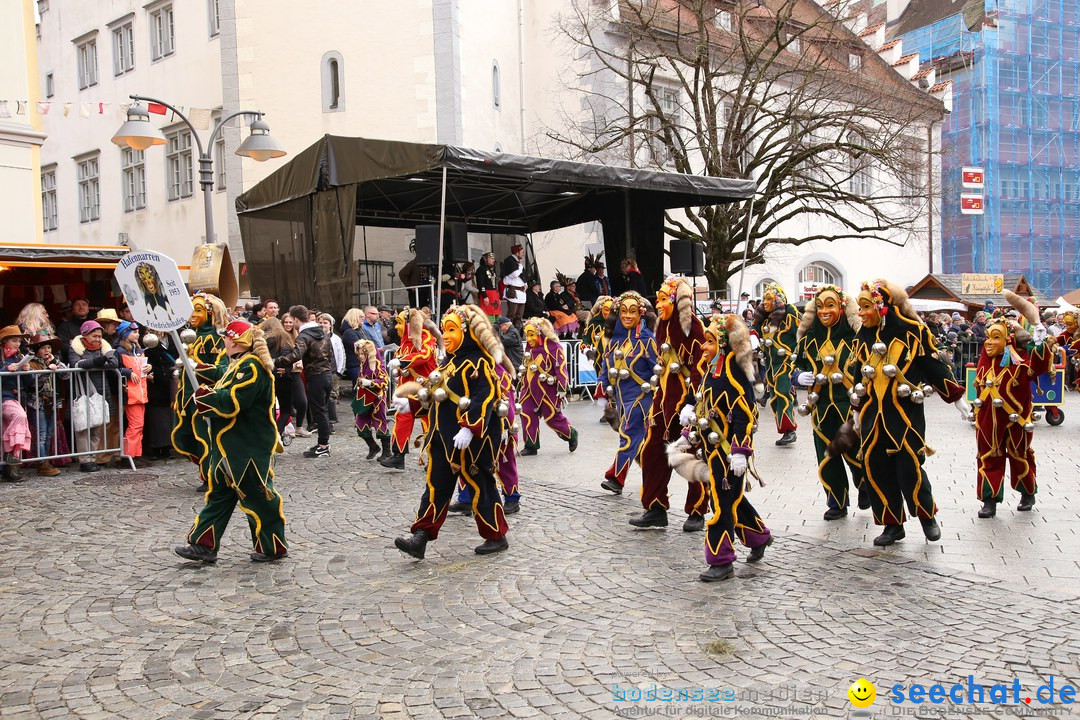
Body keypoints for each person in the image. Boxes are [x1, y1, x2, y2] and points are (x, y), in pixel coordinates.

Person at [847, 279, 968, 547]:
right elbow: (858, 376)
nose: (861, 313)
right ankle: (892, 525)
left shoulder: (913, 331)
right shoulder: (863, 336)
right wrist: (856, 409)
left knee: (909, 467)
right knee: (876, 469)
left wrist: (956, 397)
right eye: (860, 307)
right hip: (872, 417)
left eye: (866, 307)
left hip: (904, 416)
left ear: (883, 306)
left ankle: (927, 517)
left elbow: (933, 366)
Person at [393, 304, 510, 559]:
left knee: (481, 486)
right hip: (441, 438)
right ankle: (421, 536)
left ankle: (496, 535)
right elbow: (436, 393)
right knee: (435, 486)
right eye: (444, 329)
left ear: (468, 332)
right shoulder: (449, 362)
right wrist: (412, 401)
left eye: (452, 330)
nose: (445, 335)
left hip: (471, 442)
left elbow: (486, 395)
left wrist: (469, 427)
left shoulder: (480, 361)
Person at [668, 314, 772, 582]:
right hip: (710, 449)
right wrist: (688, 434)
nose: (703, 347)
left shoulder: (734, 373)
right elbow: (706, 408)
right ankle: (758, 535)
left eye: (710, 342)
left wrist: (740, 450)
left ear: (724, 346)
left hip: (728, 453)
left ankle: (721, 559)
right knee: (725, 498)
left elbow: (744, 415)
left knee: (722, 505)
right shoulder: (711, 368)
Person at [174, 320, 287, 564]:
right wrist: (194, 367)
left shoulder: (253, 367)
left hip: (248, 448)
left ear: (235, 340)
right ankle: (203, 545)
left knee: (259, 499)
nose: (222, 340)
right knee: (219, 499)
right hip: (228, 447)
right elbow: (221, 375)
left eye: (226, 336)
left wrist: (204, 397)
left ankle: (273, 546)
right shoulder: (238, 363)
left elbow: (233, 400)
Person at [629, 277, 709, 532]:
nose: (659, 303)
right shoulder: (662, 325)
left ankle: (697, 511)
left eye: (664, 298)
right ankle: (655, 507)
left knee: (689, 456)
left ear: (677, 300)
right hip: (662, 403)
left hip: (684, 405)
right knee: (651, 454)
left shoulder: (693, 328)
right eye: (659, 298)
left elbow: (700, 368)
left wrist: (690, 403)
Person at [973, 293, 1055, 518]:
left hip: (1016, 418)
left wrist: (1039, 342)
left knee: (1020, 454)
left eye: (995, 338)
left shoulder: (1019, 362)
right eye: (988, 337)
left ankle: (1027, 492)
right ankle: (989, 500)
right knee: (989, 456)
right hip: (989, 419)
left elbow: (1037, 368)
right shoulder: (984, 360)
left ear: (1008, 341)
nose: (988, 342)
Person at [792, 285, 867, 520]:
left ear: (842, 308)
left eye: (831, 305)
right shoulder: (808, 341)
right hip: (821, 408)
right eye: (821, 306)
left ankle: (865, 486)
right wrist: (797, 376)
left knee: (854, 450)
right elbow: (794, 365)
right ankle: (836, 501)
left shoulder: (856, 339)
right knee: (827, 455)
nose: (825, 311)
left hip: (849, 407)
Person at [599, 291, 658, 494]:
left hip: (641, 399)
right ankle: (653, 477)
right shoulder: (615, 340)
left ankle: (616, 477)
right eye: (623, 311)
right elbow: (606, 366)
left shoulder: (647, 340)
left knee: (629, 436)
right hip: (621, 399)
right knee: (636, 441)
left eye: (633, 312)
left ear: (640, 314)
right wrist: (602, 385)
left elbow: (658, 370)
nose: (627, 316)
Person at [172, 293, 227, 490]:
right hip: (188, 398)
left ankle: (212, 476)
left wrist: (197, 366)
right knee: (194, 438)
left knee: (207, 438)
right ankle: (206, 474)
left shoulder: (216, 338)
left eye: (198, 310)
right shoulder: (190, 338)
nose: (192, 315)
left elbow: (221, 369)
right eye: (191, 310)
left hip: (205, 396)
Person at [379, 308, 439, 470]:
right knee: (402, 420)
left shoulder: (426, 337)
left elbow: (424, 355)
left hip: (426, 391)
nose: (396, 328)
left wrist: (402, 362)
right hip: (408, 392)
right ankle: (398, 456)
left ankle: (435, 458)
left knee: (430, 424)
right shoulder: (404, 343)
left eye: (399, 323)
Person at [275, 305, 333, 459]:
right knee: (323, 410)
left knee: (319, 412)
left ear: (295, 319)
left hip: (316, 376)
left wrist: (275, 361)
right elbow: (330, 354)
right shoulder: (323, 332)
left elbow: (295, 355)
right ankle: (323, 443)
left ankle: (323, 447)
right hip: (327, 375)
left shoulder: (304, 335)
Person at [518, 317, 579, 457]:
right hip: (529, 389)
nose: (529, 338)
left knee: (552, 418)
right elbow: (526, 367)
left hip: (548, 390)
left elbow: (561, 368)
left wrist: (562, 388)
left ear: (540, 333)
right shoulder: (529, 349)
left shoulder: (553, 347)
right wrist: (522, 385)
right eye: (527, 335)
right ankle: (531, 445)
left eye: (531, 334)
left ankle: (571, 434)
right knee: (526, 413)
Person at [68, 320, 120, 473]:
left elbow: (114, 363)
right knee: (84, 427)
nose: (97, 339)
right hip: (83, 390)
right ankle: (85, 460)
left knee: (96, 427)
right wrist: (96, 362)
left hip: (101, 390)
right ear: (85, 335)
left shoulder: (105, 347)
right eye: (94, 336)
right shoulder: (75, 348)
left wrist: (91, 364)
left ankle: (93, 458)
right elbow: (76, 364)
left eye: (99, 336)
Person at [753, 283, 799, 446]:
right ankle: (785, 430)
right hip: (771, 364)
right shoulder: (765, 318)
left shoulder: (789, 312)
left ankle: (790, 430)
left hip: (785, 362)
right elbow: (754, 330)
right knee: (775, 397)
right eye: (764, 299)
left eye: (768, 299)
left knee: (781, 392)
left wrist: (800, 359)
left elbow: (801, 334)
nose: (764, 302)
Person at [24, 334, 64, 476]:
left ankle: (47, 459)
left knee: (49, 434)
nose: (47, 350)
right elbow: (34, 382)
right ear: (37, 350)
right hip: (38, 402)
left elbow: (66, 375)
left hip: (53, 402)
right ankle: (42, 463)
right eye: (44, 347)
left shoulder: (53, 360)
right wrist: (48, 370)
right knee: (41, 434)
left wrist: (56, 362)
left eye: (49, 347)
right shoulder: (31, 364)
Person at [114, 321, 151, 468]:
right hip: (130, 393)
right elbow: (115, 368)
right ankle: (128, 456)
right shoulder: (120, 351)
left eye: (137, 332)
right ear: (125, 334)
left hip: (140, 391)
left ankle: (135, 455)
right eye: (134, 332)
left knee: (139, 425)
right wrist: (128, 372)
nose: (138, 334)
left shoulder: (138, 350)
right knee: (135, 425)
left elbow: (140, 368)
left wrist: (149, 367)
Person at [1, 326, 33, 482]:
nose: (17, 344)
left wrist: (26, 371)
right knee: (19, 418)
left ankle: (10, 469)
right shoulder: (4, 358)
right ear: (4, 341)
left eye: (19, 341)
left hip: (15, 398)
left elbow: (30, 383)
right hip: (4, 397)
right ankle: (8, 458)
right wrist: (5, 369)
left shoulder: (18, 356)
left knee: (15, 427)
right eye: (14, 340)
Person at [351, 339, 391, 460]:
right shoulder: (363, 364)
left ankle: (387, 451)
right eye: (359, 354)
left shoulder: (377, 363)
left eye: (363, 354)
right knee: (360, 424)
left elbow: (385, 380)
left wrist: (371, 382)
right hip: (365, 397)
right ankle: (373, 446)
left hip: (377, 397)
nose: (361, 357)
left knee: (379, 423)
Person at [502, 244, 528, 327]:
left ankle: (517, 333)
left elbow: (523, 276)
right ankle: (508, 332)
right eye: (521, 252)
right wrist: (520, 267)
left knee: (519, 315)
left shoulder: (518, 263)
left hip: (521, 292)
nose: (522, 254)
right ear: (517, 253)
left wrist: (526, 284)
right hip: (513, 291)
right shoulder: (509, 261)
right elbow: (514, 274)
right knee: (511, 314)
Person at [476, 252, 502, 321]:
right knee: (488, 314)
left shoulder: (492, 270)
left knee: (496, 314)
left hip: (494, 294)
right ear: (486, 259)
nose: (494, 260)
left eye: (494, 258)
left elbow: (494, 284)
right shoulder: (481, 269)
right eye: (491, 258)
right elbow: (480, 284)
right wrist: (484, 296)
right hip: (487, 294)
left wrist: (498, 296)